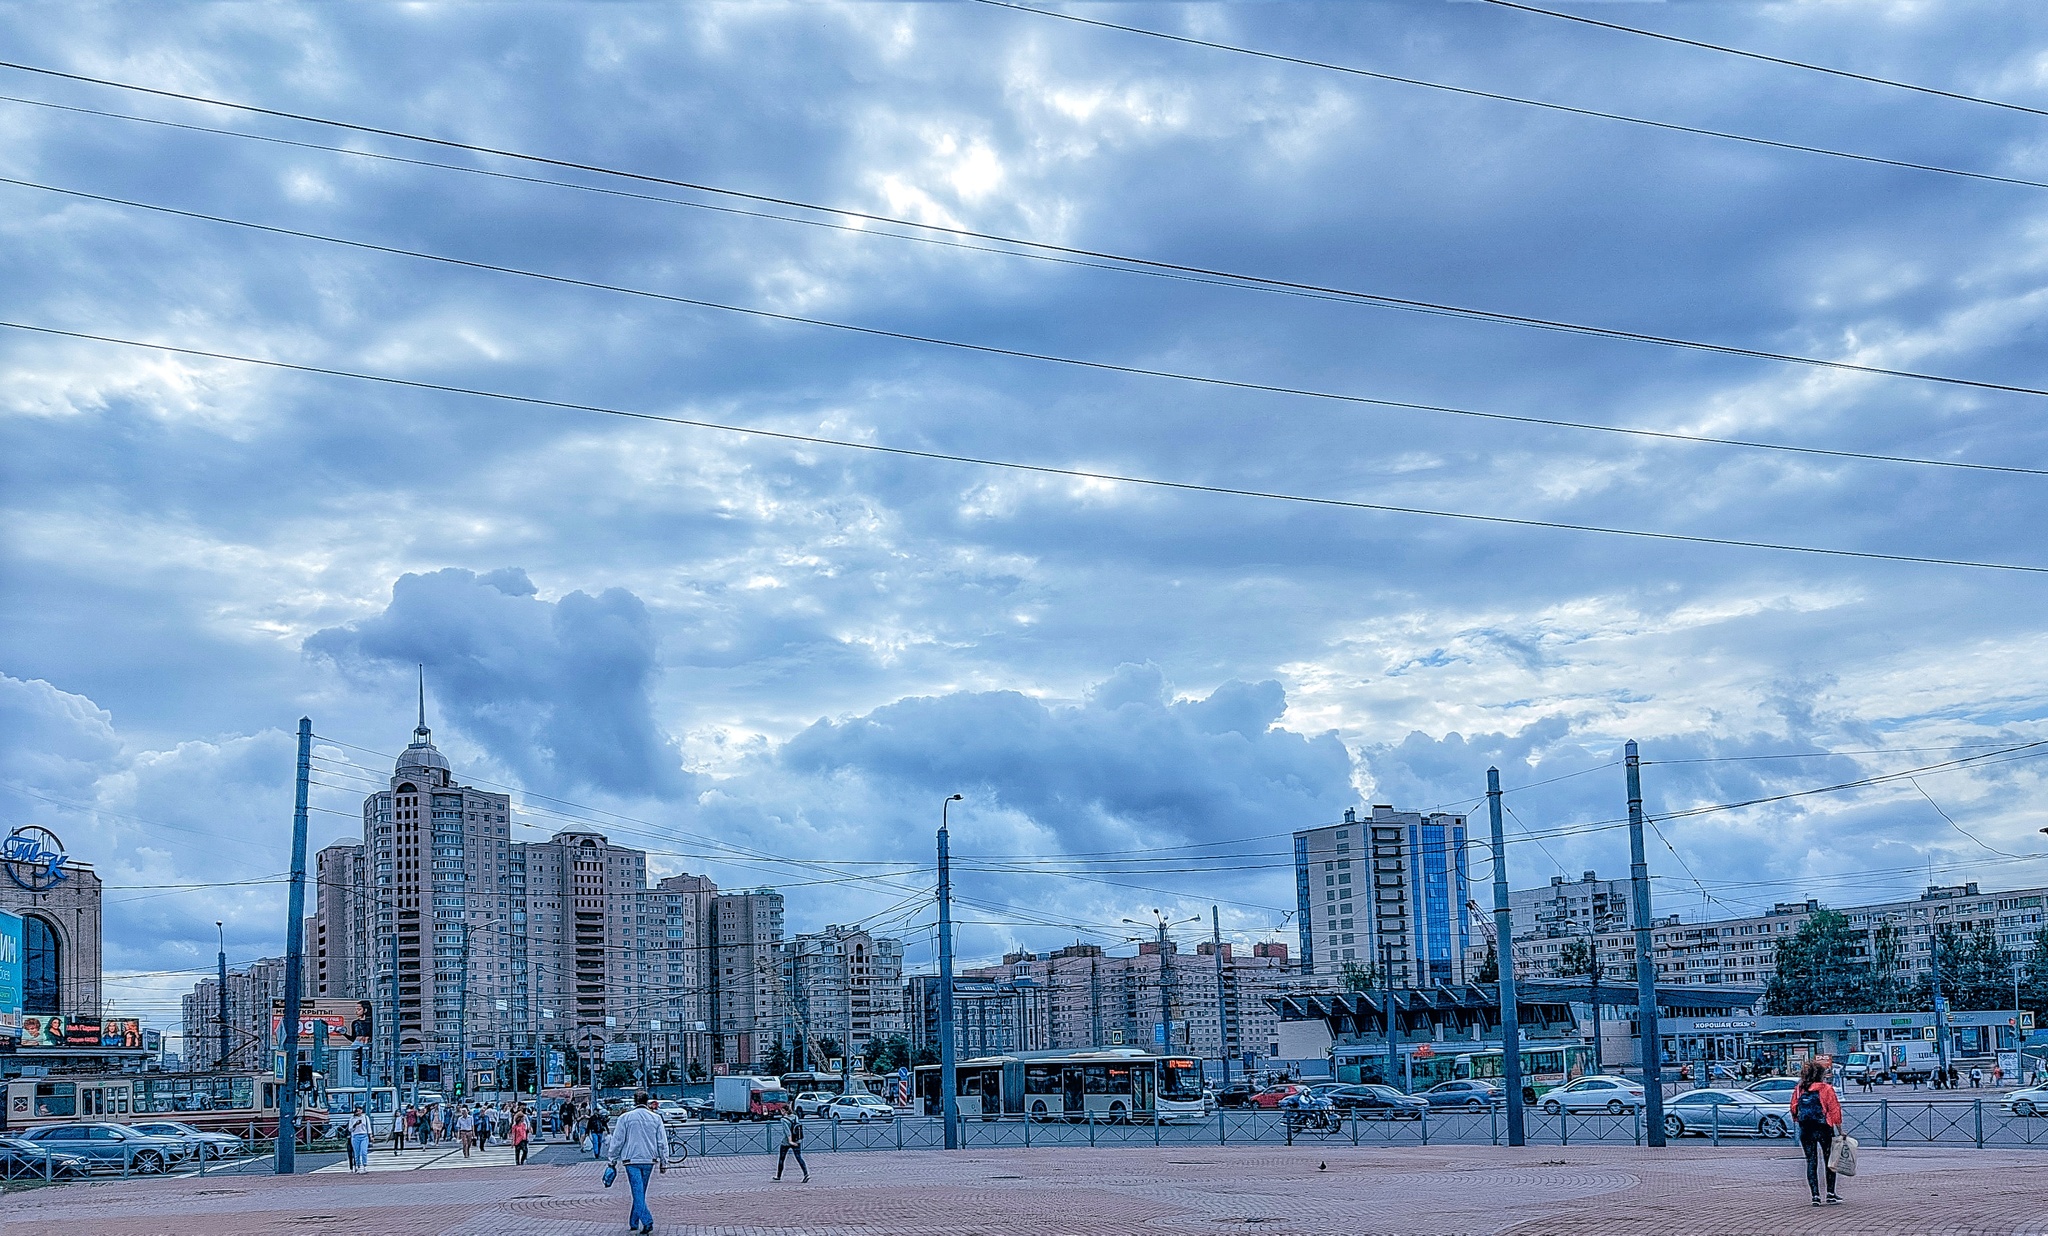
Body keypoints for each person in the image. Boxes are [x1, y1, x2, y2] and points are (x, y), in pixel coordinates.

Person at [608, 1090, 668, 1235]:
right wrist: (664, 1161)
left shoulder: (625, 1118)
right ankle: (634, 1222)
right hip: (649, 1159)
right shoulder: (655, 1118)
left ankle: (647, 1221)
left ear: (634, 1101)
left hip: (631, 1160)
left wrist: (612, 1160)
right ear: (647, 1101)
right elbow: (662, 1142)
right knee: (640, 1192)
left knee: (637, 1191)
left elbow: (617, 1141)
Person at [1790, 1057, 1844, 1208]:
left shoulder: (1799, 1089)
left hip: (1806, 1129)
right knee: (1829, 1161)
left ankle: (1815, 1196)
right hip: (1824, 1128)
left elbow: (1793, 1107)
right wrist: (1840, 1130)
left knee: (1811, 1161)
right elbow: (1835, 1111)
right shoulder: (1826, 1089)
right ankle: (1831, 1194)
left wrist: (1798, 1120)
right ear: (1821, 1075)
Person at [775, 1113, 809, 1184]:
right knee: (799, 1157)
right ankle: (806, 1174)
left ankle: (778, 1176)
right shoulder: (795, 1117)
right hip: (797, 1140)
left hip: (786, 1141)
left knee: (782, 1158)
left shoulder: (784, 1120)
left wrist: (790, 1141)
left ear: (783, 1111)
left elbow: (787, 1132)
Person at [348, 1108, 372, 1173]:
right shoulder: (352, 1119)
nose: (359, 1112)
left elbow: (368, 1127)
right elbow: (350, 1129)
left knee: (364, 1152)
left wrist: (370, 1136)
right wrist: (355, 1124)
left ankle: (365, 1166)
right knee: (357, 1153)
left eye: (360, 1110)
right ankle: (358, 1166)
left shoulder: (365, 1117)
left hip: (364, 1135)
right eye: (357, 1111)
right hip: (355, 1136)